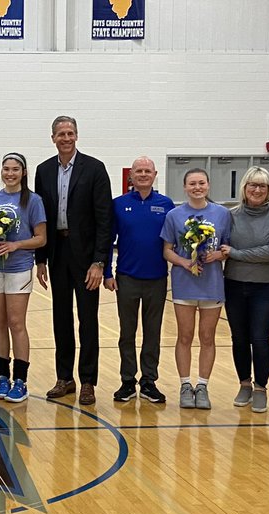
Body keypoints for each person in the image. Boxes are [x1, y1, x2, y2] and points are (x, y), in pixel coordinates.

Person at [34, 116, 113, 405]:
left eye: (70, 133)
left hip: (86, 256)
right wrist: (40, 259)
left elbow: (105, 219)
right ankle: (65, 378)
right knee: (61, 318)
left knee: (87, 319)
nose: (66, 138)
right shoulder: (43, 171)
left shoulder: (94, 168)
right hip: (56, 253)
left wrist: (99, 262)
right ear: (52, 138)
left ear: (76, 136)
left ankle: (88, 381)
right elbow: (39, 218)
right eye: (60, 134)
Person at [0, 154, 47, 403]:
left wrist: (16, 245)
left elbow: (41, 238)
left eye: (15, 169)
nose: (10, 173)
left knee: (16, 323)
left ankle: (20, 381)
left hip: (19, 268)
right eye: (6, 169)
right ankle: (2, 378)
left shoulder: (33, 201)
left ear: (23, 172)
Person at [103, 156, 173, 404]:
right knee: (127, 333)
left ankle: (149, 381)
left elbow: (173, 240)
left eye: (147, 171)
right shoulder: (119, 204)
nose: (143, 174)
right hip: (126, 278)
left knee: (152, 333)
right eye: (138, 171)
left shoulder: (167, 204)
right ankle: (127, 381)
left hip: (157, 278)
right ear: (130, 176)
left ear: (155, 175)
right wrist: (108, 273)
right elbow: (108, 240)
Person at [161, 168, 231, 410]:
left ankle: (202, 386)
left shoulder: (222, 214)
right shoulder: (174, 215)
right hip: (184, 284)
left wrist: (218, 255)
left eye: (201, 183)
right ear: (185, 187)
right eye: (192, 184)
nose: (197, 187)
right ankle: (184, 385)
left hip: (212, 285)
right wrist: (184, 262)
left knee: (208, 337)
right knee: (184, 336)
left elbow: (227, 247)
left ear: (208, 186)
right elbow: (167, 249)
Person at [220, 167, 269, 413]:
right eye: (253, 185)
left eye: (262, 186)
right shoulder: (231, 215)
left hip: (266, 287)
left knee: (260, 338)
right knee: (239, 338)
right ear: (244, 188)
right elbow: (220, 244)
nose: (257, 190)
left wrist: (236, 254)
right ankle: (244, 384)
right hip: (234, 284)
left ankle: (261, 387)